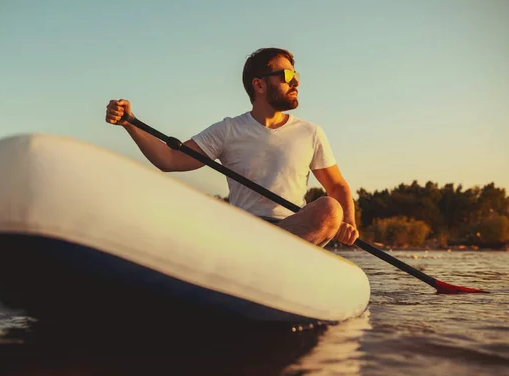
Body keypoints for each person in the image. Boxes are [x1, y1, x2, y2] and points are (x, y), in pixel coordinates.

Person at [105, 47, 359, 247]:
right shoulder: (228, 130)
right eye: (287, 76)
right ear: (258, 85)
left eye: (296, 76)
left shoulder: (310, 132)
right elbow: (170, 159)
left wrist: (348, 222)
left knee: (330, 209)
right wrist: (131, 123)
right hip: (244, 233)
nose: (296, 83)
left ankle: (274, 255)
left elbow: (337, 186)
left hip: (297, 231)